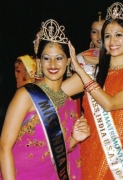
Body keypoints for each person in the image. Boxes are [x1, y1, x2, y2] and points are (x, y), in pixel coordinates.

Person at [61, 2, 123, 179]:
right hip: (89, 150)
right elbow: (56, 93)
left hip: (121, 155)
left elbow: (111, 104)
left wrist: (80, 71)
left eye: (118, 35)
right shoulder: (94, 73)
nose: (112, 41)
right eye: (107, 36)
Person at [0, 19, 90, 180]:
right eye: (47, 58)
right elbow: (4, 147)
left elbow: (55, 152)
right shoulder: (26, 95)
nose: (53, 64)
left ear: (69, 61)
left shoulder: (68, 102)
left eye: (59, 58)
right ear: (39, 62)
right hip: (21, 175)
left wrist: (75, 139)